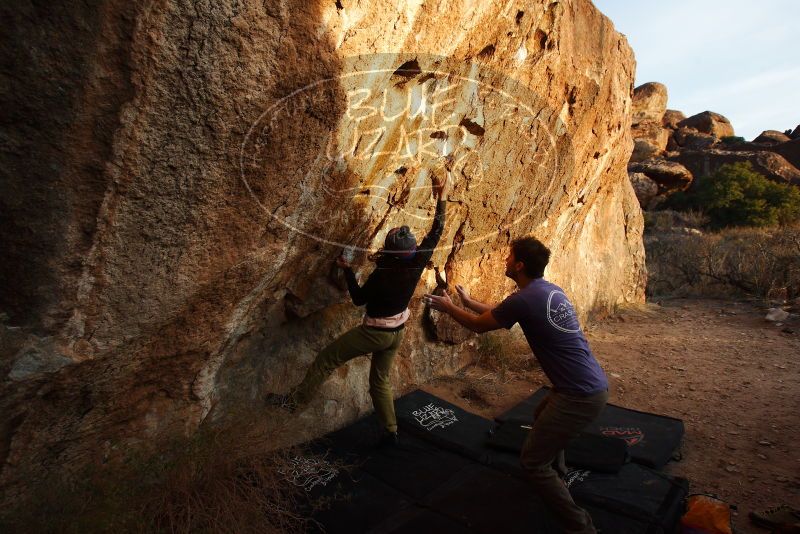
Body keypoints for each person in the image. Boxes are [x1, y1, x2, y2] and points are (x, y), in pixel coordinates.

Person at [424, 236, 608, 534]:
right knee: (540, 419)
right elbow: (502, 311)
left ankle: (581, 527)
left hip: (578, 395)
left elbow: (479, 325)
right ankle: (558, 474)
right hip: (587, 384)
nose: (505, 261)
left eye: (509, 258)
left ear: (520, 265)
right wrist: (468, 301)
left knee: (532, 464)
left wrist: (448, 308)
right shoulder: (547, 291)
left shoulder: (525, 298)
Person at [266, 172, 448, 446]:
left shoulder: (384, 274)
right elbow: (436, 230)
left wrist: (348, 270)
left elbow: (359, 299)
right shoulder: (417, 261)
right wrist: (442, 198)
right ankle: (391, 431)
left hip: (376, 332)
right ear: (411, 251)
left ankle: (294, 403)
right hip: (396, 332)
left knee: (327, 358)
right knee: (380, 381)